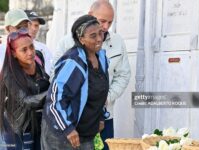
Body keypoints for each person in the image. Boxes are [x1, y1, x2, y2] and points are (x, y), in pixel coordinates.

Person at [53, 1, 131, 149]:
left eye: (110, 22)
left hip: (105, 116)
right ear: (90, 15)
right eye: (102, 21)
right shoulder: (66, 42)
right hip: (75, 120)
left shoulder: (118, 41)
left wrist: (106, 98)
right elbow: (55, 78)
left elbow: (123, 75)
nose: (106, 27)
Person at [41, 15, 109, 150]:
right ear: (81, 39)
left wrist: (101, 116)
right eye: (93, 35)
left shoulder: (101, 57)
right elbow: (55, 100)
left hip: (86, 133)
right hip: (62, 134)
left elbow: (100, 90)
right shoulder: (73, 63)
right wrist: (68, 129)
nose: (99, 39)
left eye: (101, 33)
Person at [0, 28, 50, 149]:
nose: (30, 52)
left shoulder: (38, 57)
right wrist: (54, 91)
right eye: (24, 50)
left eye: (31, 47)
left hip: (39, 122)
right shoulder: (9, 74)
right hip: (19, 127)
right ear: (13, 53)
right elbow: (26, 101)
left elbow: (44, 82)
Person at [25, 10, 53, 75]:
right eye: (30, 24)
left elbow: (51, 71)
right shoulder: (12, 47)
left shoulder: (44, 48)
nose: (34, 28)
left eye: (36, 25)